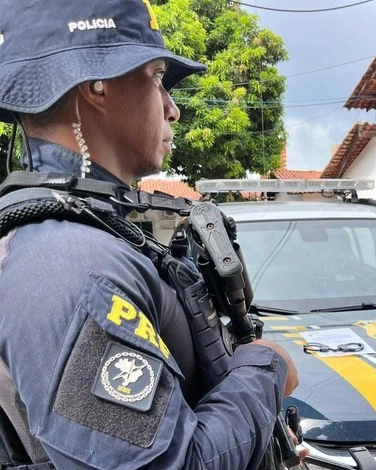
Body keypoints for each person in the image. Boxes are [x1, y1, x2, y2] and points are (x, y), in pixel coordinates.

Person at [0, 0, 305, 468]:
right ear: (95, 86)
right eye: (158, 77)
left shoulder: (93, 235)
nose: (173, 109)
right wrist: (265, 368)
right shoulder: (70, 263)